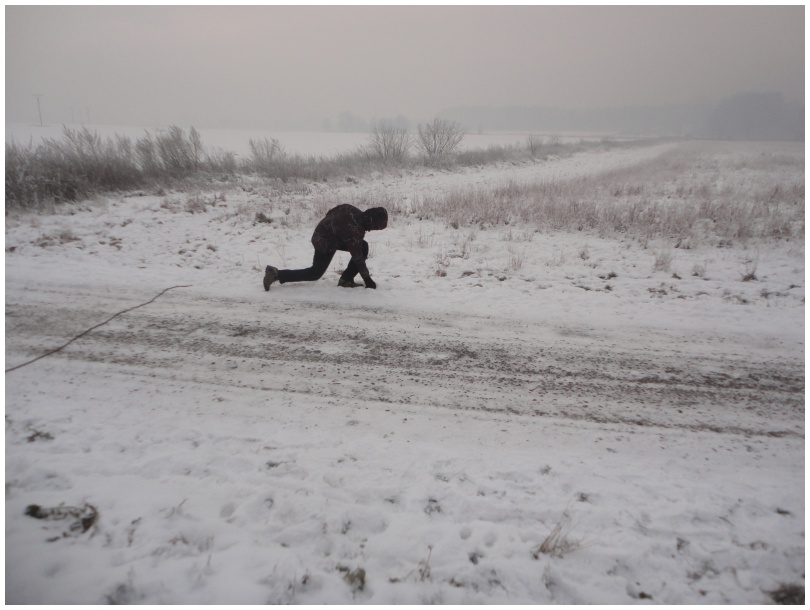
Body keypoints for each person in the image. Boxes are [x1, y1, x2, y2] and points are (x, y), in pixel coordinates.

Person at [263, 204, 388, 291]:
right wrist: (367, 280)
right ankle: (276, 274)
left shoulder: (352, 210)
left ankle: (346, 280)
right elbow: (358, 258)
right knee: (314, 273)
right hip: (323, 241)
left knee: (363, 246)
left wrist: (333, 227)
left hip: (329, 234)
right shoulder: (354, 231)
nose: (372, 230)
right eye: (375, 227)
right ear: (371, 222)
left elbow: (331, 212)